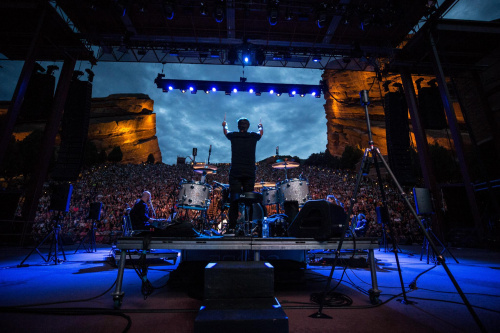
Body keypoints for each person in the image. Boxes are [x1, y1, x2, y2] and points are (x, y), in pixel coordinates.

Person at [222, 117, 263, 232]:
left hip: (235, 172)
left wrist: (224, 125)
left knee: (234, 200)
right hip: (249, 172)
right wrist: (260, 126)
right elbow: (261, 133)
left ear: (238, 126)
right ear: (248, 126)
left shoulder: (234, 135)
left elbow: (226, 132)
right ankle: (249, 227)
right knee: (248, 200)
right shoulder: (253, 136)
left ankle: (232, 227)